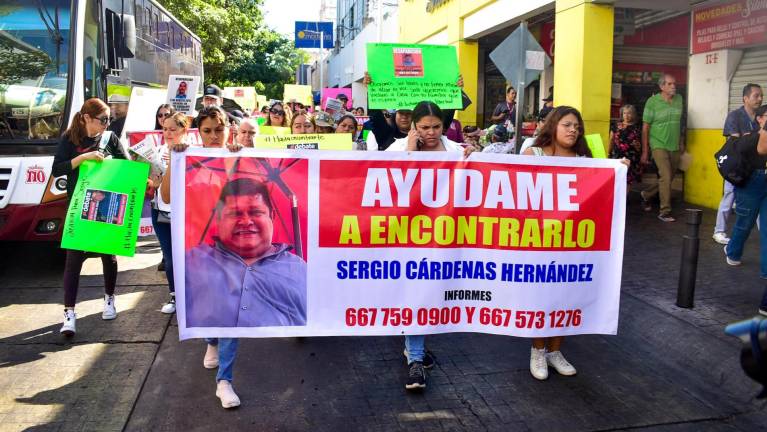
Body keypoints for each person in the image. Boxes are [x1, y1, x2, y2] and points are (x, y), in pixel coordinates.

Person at [161, 106, 246, 409]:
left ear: (228, 130)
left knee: (231, 312)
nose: (213, 136)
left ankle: (225, 381)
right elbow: (168, 196)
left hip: (232, 249)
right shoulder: (187, 157)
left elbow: (246, 192)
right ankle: (211, 340)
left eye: (218, 130)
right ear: (199, 131)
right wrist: (176, 157)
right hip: (197, 247)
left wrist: (238, 158)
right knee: (208, 306)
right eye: (207, 130)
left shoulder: (237, 156)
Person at [386, 101, 474, 391]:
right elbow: (380, 182)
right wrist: (411, 154)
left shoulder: (456, 150)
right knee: (417, 293)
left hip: (445, 237)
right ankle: (415, 361)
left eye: (436, 126)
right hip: (407, 237)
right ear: (413, 126)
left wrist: (473, 159)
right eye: (424, 127)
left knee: (431, 296)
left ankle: (415, 350)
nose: (432, 132)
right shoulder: (397, 149)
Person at [184, 177, 308, 327]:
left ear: (272, 216)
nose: (246, 221)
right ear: (218, 218)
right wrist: (174, 160)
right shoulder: (193, 262)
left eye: (256, 212)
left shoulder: (298, 268)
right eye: (235, 213)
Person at [53, 98, 124, 336]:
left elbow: (127, 166)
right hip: (78, 207)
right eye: (102, 119)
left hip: (105, 207)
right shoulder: (69, 138)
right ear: (86, 118)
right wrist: (83, 158)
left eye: (108, 120)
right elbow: (57, 169)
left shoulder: (110, 139)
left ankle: (109, 299)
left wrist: (112, 163)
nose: (106, 124)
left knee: (108, 255)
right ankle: (69, 313)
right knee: (73, 261)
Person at [362, 72, 470, 150]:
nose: (431, 132)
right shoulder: (388, 138)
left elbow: (442, 117)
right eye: (401, 113)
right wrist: (372, 91)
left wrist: (455, 91)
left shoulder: (451, 147)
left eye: (408, 114)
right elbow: (376, 119)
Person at [150, 112, 189, 314]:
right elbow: (151, 182)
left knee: (188, 257)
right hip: (160, 211)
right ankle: (174, 296)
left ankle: (190, 295)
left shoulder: (191, 150)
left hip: (185, 212)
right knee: (170, 257)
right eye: (165, 129)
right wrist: (152, 182)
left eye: (173, 129)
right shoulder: (157, 150)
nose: (168, 133)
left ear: (184, 129)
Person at [715, 83, 764, 245]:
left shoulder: (761, 116)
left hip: (755, 165)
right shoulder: (734, 116)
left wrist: (752, 136)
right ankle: (719, 231)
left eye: (761, 95)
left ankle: (762, 231)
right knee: (729, 195)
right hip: (737, 165)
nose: (760, 98)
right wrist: (754, 136)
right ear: (745, 98)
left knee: (757, 197)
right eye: (756, 95)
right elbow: (735, 141)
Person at [725, 106, 767, 277]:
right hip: (752, 182)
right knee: (745, 222)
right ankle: (733, 253)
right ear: (760, 119)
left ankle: (765, 271)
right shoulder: (751, 136)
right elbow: (758, 150)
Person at [640, 73, 685, 222]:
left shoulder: (679, 100)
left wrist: (681, 142)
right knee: (665, 176)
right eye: (670, 84)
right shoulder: (652, 102)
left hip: (674, 146)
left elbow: (680, 123)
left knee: (668, 178)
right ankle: (664, 211)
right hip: (658, 144)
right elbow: (645, 128)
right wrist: (645, 151)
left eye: (674, 84)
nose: (673, 87)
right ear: (661, 86)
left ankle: (646, 195)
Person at [609, 105, 643, 188]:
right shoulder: (616, 126)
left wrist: (638, 146)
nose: (626, 115)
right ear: (622, 114)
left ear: (633, 114)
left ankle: (625, 199)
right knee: (617, 178)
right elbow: (611, 141)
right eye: (624, 113)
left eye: (629, 113)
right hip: (617, 156)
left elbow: (639, 145)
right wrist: (608, 153)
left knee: (628, 180)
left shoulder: (637, 127)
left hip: (632, 157)